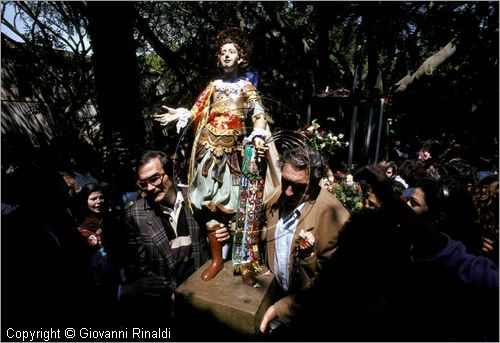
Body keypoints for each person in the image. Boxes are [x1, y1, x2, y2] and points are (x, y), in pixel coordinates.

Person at [154, 28, 280, 282]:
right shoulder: (214, 86)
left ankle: (242, 262)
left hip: (233, 154)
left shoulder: (246, 86)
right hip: (208, 150)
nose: (226, 56)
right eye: (223, 52)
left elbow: (258, 113)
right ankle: (216, 260)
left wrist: (257, 133)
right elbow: (195, 110)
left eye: (231, 52)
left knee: (238, 206)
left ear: (240, 57)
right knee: (209, 205)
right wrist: (180, 115)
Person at [122, 150, 230, 326]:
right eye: (143, 183)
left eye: (155, 179)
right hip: (165, 305)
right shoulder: (135, 215)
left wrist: (223, 234)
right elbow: (140, 267)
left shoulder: (197, 199)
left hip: (205, 293)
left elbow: (217, 235)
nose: (149, 188)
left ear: (171, 172)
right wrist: (171, 293)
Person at [259, 145, 350, 336]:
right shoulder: (276, 196)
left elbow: (331, 282)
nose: (289, 192)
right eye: (285, 181)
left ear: (316, 184)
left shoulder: (334, 216)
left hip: (309, 317)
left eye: (299, 187)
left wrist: (284, 308)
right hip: (270, 300)